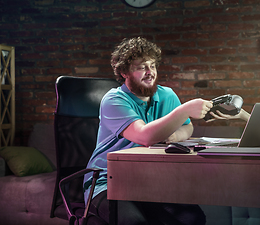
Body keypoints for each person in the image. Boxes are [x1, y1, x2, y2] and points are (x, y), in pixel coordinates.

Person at [83, 37, 213, 225]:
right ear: (124, 72)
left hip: (149, 181)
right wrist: (185, 109)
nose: (150, 72)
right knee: (134, 222)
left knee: (192, 218)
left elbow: (187, 126)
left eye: (152, 66)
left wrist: (175, 135)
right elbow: (145, 137)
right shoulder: (113, 100)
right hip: (107, 182)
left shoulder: (166, 95)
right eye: (141, 67)